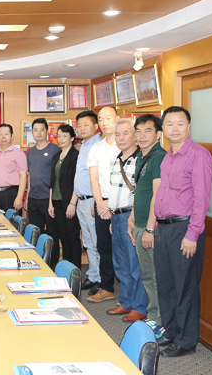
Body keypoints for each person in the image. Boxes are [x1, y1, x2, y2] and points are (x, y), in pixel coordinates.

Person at [153, 106, 212, 358]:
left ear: (188, 127)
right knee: (166, 285)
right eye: (169, 124)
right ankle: (171, 330)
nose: (174, 128)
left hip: (184, 229)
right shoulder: (167, 156)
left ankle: (186, 341)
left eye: (180, 123)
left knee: (185, 286)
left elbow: (201, 198)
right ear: (163, 128)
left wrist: (192, 233)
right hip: (163, 229)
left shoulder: (198, 155)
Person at [127, 114, 167, 338]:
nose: (142, 135)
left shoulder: (159, 157)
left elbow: (157, 195)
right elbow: (140, 192)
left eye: (148, 130)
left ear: (158, 134)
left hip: (152, 227)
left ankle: (161, 320)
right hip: (140, 223)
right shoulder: (142, 156)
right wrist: (132, 218)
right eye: (139, 131)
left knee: (156, 276)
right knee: (147, 275)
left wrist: (150, 229)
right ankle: (153, 316)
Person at [105, 119, 147, 322]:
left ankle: (139, 306)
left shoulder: (141, 159)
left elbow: (142, 193)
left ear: (135, 135)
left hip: (132, 217)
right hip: (116, 216)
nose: (121, 138)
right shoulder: (116, 159)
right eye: (118, 134)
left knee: (135, 263)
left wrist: (132, 218)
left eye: (125, 133)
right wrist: (112, 217)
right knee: (120, 262)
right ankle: (126, 302)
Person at [86, 106, 120, 303]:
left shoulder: (126, 144)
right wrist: (100, 204)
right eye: (101, 119)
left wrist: (110, 204)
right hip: (101, 203)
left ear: (117, 118)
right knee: (104, 247)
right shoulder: (96, 148)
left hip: (122, 204)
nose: (104, 122)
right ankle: (107, 288)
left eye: (108, 118)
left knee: (123, 249)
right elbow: (94, 179)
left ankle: (129, 294)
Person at [73, 110, 102, 295]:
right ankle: (93, 274)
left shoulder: (98, 146)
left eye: (86, 124)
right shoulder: (84, 145)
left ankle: (100, 278)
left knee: (97, 241)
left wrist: (97, 202)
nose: (82, 128)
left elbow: (100, 177)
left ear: (96, 126)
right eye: (79, 125)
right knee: (89, 241)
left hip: (93, 200)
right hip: (82, 200)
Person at [26, 118, 60, 266]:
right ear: (32, 132)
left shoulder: (55, 150)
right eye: (35, 130)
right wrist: (27, 197)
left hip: (48, 199)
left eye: (41, 129)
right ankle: (38, 263)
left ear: (47, 131)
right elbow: (29, 175)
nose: (38, 133)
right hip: (33, 198)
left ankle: (52, 264)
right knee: (36, 233)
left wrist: (52, 201)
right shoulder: (31, 151)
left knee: (52, 233)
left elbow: (56, 177)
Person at [48, 124, 81, 269]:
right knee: (63, 237)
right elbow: (52, 181)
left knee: (73, 237)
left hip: (69, 201)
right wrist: (50, 203)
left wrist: (72, 203)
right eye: (59, 136)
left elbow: (77, 182)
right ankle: (67, 269)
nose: (61, 139)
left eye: (65, 136)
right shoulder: (57, 156)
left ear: (72, 138)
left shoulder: (75, 156)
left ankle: (75, 270)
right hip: (56, 201)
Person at [0, 124, 27, 213]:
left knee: (11, 221)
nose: (3, 137)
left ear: (12, 136)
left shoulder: (19, 153)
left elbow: (23, 176)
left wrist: (19, 197)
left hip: (10, 194)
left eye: (6, 134)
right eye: (0, 134)